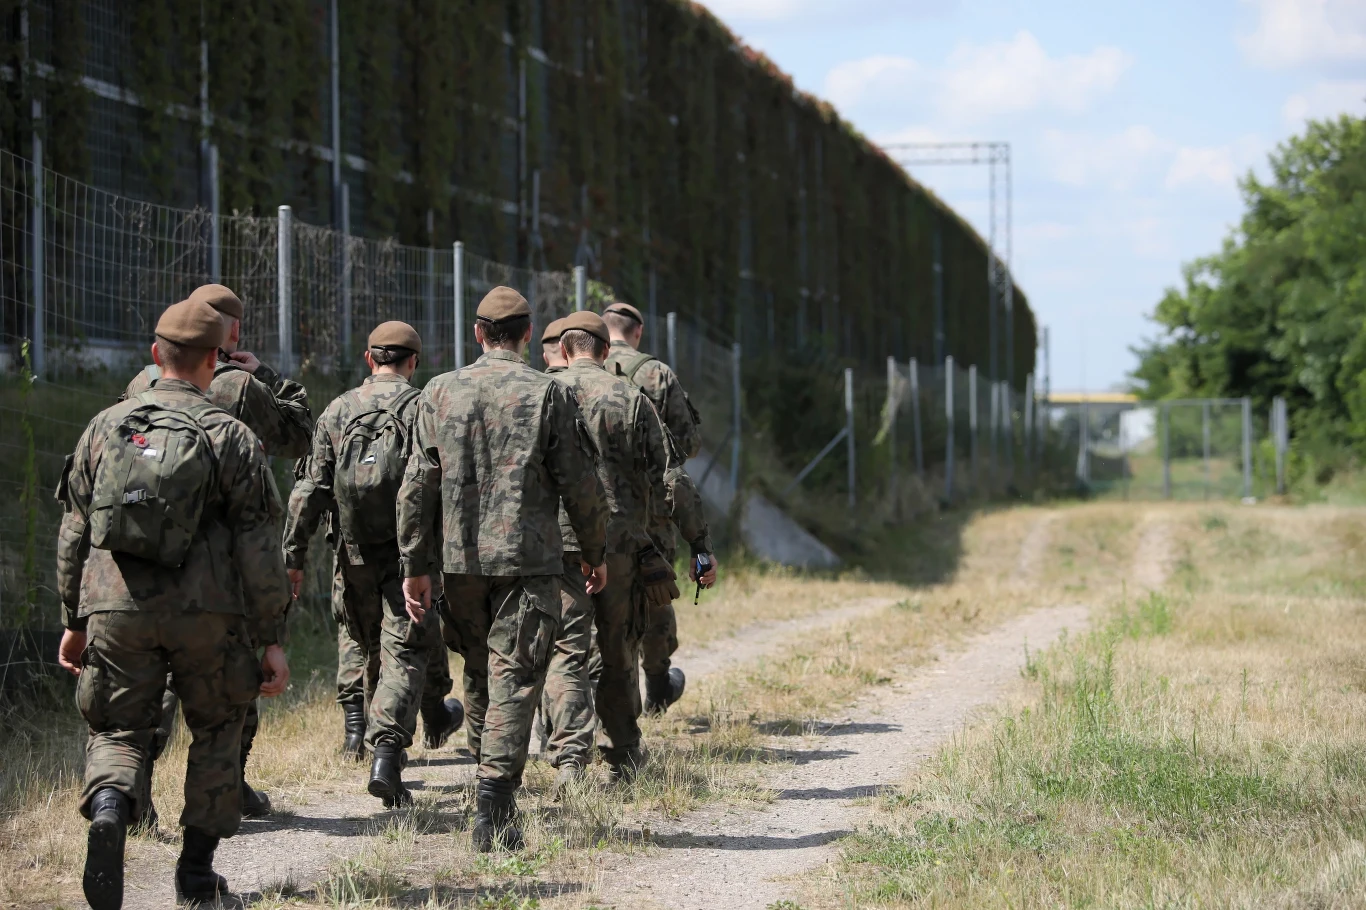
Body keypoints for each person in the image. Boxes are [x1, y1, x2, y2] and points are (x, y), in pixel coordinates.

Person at [56, 297, 292, 909]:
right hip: (208, 616)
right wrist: (270, 636)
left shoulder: (106, 426)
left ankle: (110, 808)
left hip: (116, 607)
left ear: (156, 355)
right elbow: (260, 547)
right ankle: (194, 877)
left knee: (118, 726)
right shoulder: (231, 436)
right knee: (217, 729)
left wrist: (73, 619)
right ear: (217, 360)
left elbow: (75, 532)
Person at [397, 286, 608, 852]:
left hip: (458, 561)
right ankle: (494, 803)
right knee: (514, 675)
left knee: (484, 671)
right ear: (527, 333)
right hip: (528, 559)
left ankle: (485, 771)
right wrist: (593, 551)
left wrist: (415, 564)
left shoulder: (438, 392)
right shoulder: (547, 393)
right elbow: (580, 484)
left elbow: (418, 485)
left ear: (477, 333)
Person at [121, 282, 313, 823]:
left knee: (149, 681)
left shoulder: (141, 381)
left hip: (142, 554)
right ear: (232, 332)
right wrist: (268, 376)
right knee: (230, 682)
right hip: (219, 562)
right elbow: (300, 435)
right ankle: (226, 785)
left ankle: (134, 795)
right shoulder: (240, 385)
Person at [282, 321, 462, 807]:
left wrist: (293, 555)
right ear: (413, 362)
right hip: (411, 559)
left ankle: (357, 728)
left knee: (361, 641)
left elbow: (309, 489)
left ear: (369, 360)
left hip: (352, 553)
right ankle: (387, 751)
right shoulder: (422, 405)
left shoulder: (339, 409)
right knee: (405, 650)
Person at [541, 311, 717, 785]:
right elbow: (670, 480)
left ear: (563, 348)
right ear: (604, 351)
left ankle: (567, 756)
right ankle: (620, 752)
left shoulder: (542, 393)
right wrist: (694, 541)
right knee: (618, 646)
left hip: (554, 544)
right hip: (619, 542)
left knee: (564, 649)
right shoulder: (631, 396)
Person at [601, 301, 715, 714]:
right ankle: (656, 686)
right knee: (655, 594)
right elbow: (686, 446)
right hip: (651, 510)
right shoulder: (656, 373)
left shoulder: (577, 367)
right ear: (639, 331)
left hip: (594, 509)